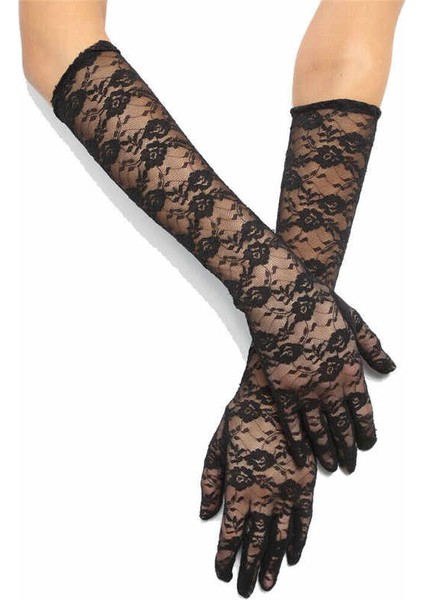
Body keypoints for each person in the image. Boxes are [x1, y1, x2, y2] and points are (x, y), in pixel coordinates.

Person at [19, 0, 404, 597]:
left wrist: (289, 328)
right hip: (74, 252)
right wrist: (277, 288)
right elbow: (53, 41)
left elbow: (352, 29)